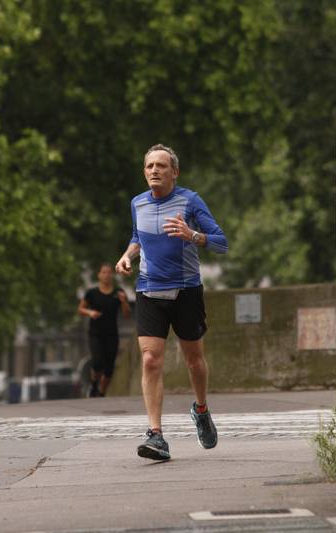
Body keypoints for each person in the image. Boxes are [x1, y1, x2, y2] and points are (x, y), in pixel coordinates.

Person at [116, 144, 228, 461]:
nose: (154, 170)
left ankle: (202, 409)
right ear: (144, 171)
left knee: (194, 361)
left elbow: (221, 243)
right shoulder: (137, 203)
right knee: (151, 360)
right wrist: (126, 256)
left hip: (186, 291)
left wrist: (192, 235)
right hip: (149, 290)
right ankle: (156, 435)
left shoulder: (190, 201)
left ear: (174, 172)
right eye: (150, 165)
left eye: (161, 166)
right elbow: (138, 237)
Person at [78, 263, 131, 397]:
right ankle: (94, 385)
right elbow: (80, 309)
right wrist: (90, 313)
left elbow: (127, 315)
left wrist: (124, 301)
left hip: (112, 334)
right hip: (95, 333)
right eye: (104, 272)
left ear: (112, 275)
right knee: (97, 361)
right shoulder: (92, 293)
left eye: (109, 272)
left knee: (109, 367)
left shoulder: (118, 293)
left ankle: (102, 393)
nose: (107, 275)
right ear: (99, 275)